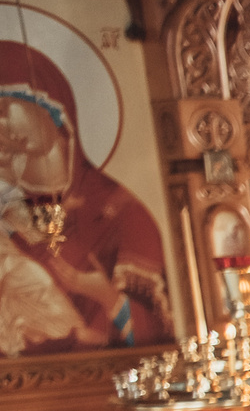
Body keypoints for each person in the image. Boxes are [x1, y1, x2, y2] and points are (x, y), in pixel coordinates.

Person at [0, 41, 169, 355]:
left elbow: (163, 336)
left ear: (50, 104)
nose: (1, 125)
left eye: (4, 107)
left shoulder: (122, 213)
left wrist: (106, 295)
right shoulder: (8, 213)